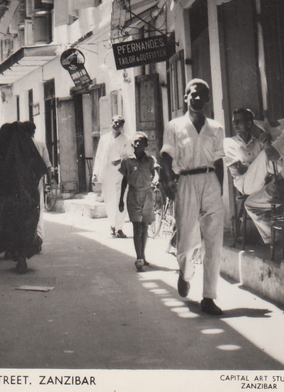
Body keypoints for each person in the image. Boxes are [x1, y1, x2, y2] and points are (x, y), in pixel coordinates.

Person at [160, 79, 225, 315]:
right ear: (185, 98)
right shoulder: (174, 126)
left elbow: (218, 162)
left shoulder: (216, 129)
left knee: (214, 243)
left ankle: (209, 297)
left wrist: (219, 190)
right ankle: (185, 273)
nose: (196, 98)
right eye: (192, 94)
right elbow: (166, 156)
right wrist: (167, 180)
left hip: (210, 181)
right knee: (186, 241)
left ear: (207, 100)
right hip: (185, 181)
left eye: (201, 95)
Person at [225, 110, 284, 245]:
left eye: (239, 121)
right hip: (244, 183)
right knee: (267, 154)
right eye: (234, 122)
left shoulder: (257, 142)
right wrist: (263, 167)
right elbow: (240, 169)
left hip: (261, 181)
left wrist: (262, 168)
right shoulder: (229, 142)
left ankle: (274, 237)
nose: (235, 125)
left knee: (272, 156)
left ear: (249, 123)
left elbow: (259, 168)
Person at [0, 121, 49, 274]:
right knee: (25, 226)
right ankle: (21, 257)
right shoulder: (26, 149)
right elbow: (40, 168)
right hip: (25, 199)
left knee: (9, 225)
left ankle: (12, 251)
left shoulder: (1, 150)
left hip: (7, 199)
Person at [118, 132, 160, 271]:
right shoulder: (127, 161)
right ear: (132, 145)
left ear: (145, 145)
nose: (137, 144)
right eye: (135, 142)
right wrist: (121, 200)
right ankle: (139, 257)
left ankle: (143, 255)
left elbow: (155, 173)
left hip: (147, 195)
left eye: (141, 142)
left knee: (145, 227)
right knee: (137, 227)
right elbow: (124, 181)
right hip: (133, 195)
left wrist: (156, 179)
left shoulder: (150, 160)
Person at [92, 115, 132, 237]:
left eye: (119, 123)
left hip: (121, 172)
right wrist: (95, 173)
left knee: (121, 198)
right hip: (107, 171)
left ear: (122, 126)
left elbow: (130, 156)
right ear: (111, 123)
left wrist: (120, 160)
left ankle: (119, 227)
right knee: (109, 199)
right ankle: (112, 225)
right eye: (114, 122)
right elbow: (99, 157)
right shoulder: (104, 139)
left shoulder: (127, 139)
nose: (116, 125)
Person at [20, 121, 53, 245]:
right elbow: (47, 165)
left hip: (23, 182)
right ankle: (38, 237)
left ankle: (27, 239)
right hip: (37, 181)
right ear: (33, 132)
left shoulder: (20, 145)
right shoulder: (40, 144)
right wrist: (50, 181)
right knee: (38, 208)